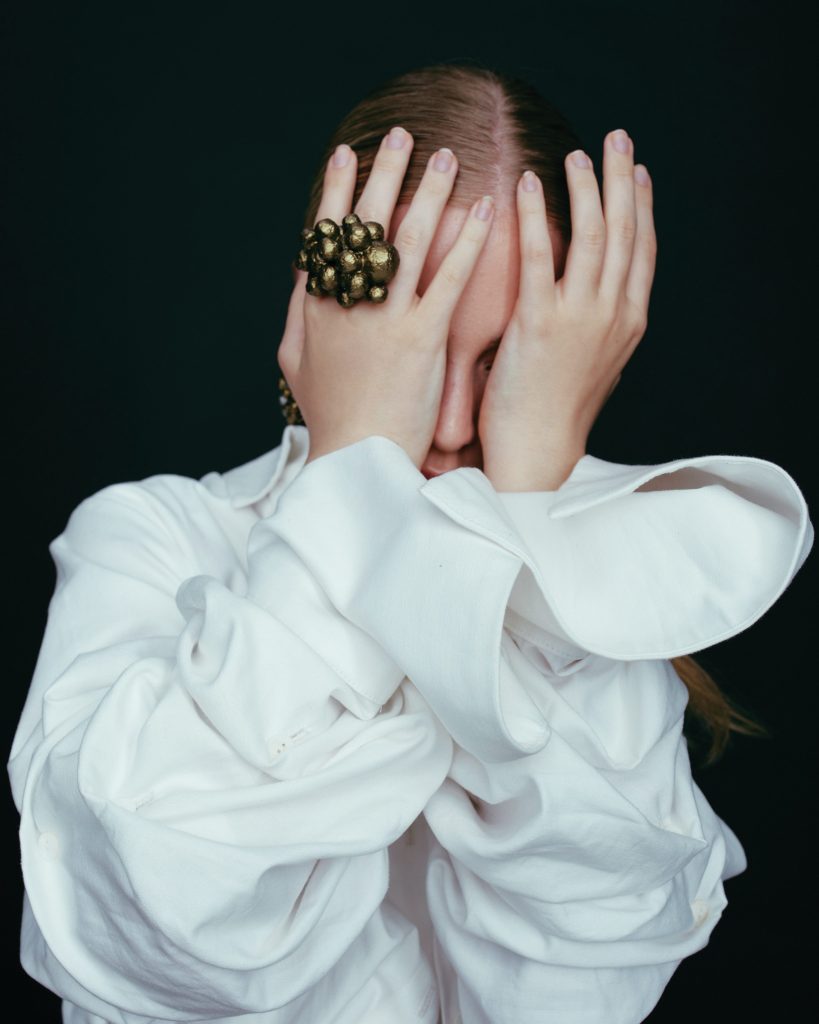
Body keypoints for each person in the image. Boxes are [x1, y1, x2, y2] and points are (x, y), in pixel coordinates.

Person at [8, 62, 813, 1024]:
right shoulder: (150, 540)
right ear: (319, 320)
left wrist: (527, 507)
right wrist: (352, 474)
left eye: (512, 361)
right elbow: (154, 936)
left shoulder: (592, 590)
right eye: (417, 351)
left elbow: (580, 992)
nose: (456, 422)